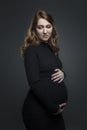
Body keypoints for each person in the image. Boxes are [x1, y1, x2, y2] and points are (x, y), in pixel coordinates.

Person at [20, 10, 68, 130]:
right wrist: (53, 108)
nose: (45, 31)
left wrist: (63, 74)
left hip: (55, 112)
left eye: (48, 26)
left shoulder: (52, 49)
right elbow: (34, 83)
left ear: (52, 27)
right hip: (38, 111)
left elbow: (53, 70)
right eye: (40, 27)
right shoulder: (31, 50)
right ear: (34, 29)